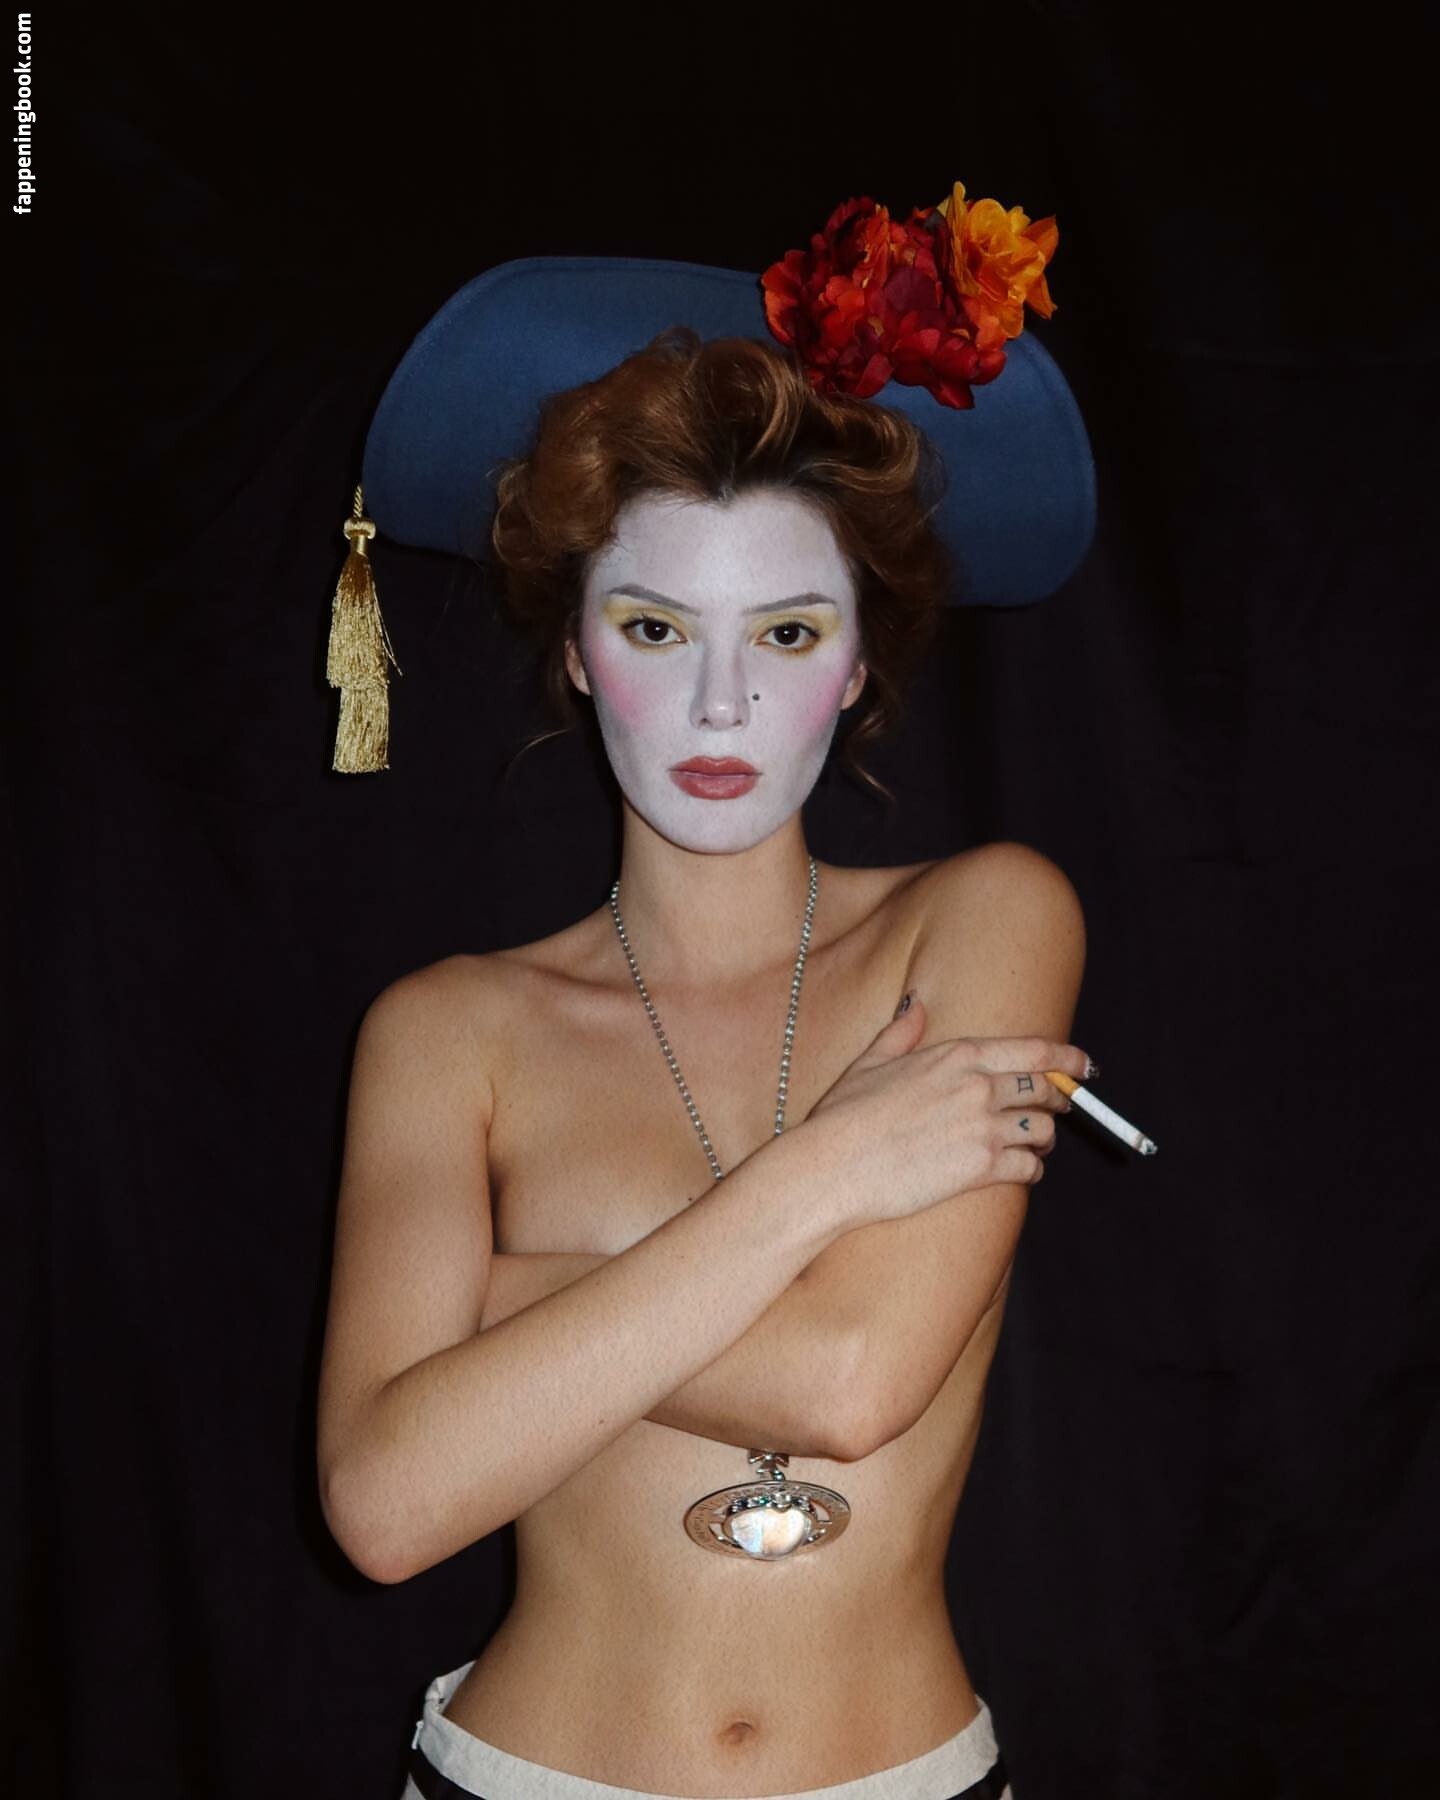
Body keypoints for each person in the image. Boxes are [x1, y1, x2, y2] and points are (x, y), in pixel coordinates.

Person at [317, 319, 1091, 1800]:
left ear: (856, 665)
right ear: (576, 651)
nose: (721, 703)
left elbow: (852, 1380)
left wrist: (491, 1307)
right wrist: (830, 1172)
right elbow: (389, 1506)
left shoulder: (986, 919)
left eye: (787, 633)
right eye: (656, 628)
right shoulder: (448, 1030)